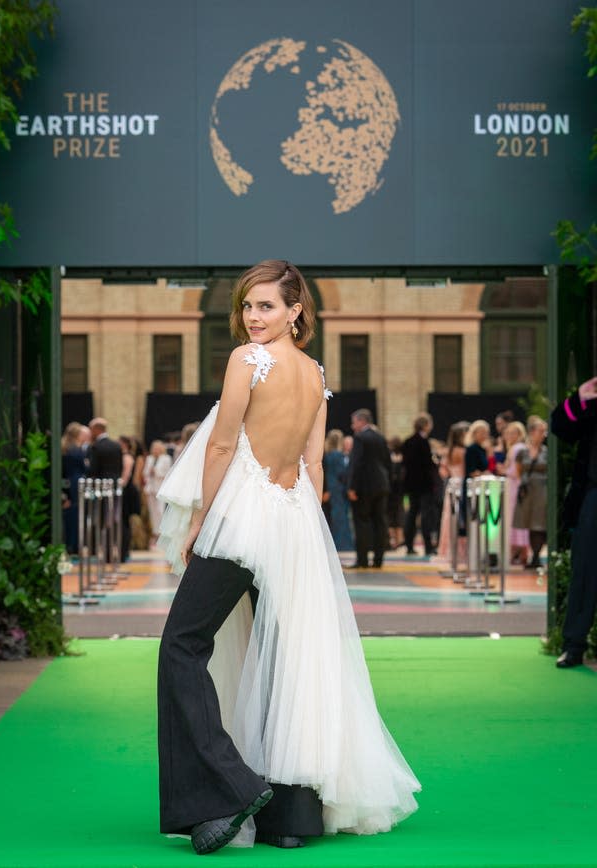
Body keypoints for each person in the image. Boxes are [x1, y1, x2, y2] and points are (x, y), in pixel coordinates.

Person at [156, 260, 419, 855]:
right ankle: (291, 820)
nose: (253, 318)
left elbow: (222, 443)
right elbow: (314, 466)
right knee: (283, 655)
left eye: (267, 306)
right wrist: (302, 528)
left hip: (243, 516)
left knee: (181, 645)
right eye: (248, 306)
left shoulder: (248, 362)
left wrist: (202, 519)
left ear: (296, 311)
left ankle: (226, 788)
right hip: (295, 519)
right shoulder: (314, 371)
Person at [550, 376, 597, 668]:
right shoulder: (592, 401)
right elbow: (561, 427)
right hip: (594, 495)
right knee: (585, 571)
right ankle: (574, 644)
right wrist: (579, 399)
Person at [347, 409, 393, 568]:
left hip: (364, 487)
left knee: (362, 522)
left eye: (354, 422)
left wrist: (351, 487)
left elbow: (356, 464)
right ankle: (379, 559)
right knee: (380, 522)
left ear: (361, 421)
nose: (353, 427)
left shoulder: (360, 438)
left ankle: (362, 560)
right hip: (381, 485)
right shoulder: (380, 437)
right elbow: (388, 462)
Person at [512, 415, 548, 570]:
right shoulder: (523, 451)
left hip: (541, 490)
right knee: (527, 522)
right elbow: (518, 470)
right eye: (541, 431)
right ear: (532, 432)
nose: (544, 434)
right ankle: (531, 555)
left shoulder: (546, 451)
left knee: (539, 523)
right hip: (527, 491)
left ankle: (537, 555)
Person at [402, 413, 436, 556]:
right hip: (424, 485)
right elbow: (428, 465)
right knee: (425, 516)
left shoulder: (408, 441)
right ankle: (428, 546)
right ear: (426, 425)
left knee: (411, 514)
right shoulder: (424, 442)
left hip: (411, 485)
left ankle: (409, 545)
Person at [437, 422, 468, 560]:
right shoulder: (463, 452)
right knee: (462, 518)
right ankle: (462, 552)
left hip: (451, 485)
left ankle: (448, 549)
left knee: (450, 518)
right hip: (463, 486)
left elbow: (443, 472)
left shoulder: (447, 451)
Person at [499, 421, 529, 566]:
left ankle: (516, 553)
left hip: (515, 487)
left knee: (514, 519)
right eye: (508, 433)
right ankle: (521, 553)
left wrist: (503, 470)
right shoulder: (520, 448)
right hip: (516, 486)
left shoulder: (517, 448)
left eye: (512, 433)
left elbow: (517, 472)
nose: (509, 436)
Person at [322, 429, 354, 551]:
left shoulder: (326, 455)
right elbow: (342, 473)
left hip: (329, 488)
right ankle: (343, 545)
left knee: (332, 517)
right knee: (340, 518)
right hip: (338, 489)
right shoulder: (338, 455)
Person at [61, 422, 89, 554]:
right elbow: (85, 468)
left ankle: (69, 544)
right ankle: (74, 545)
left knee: (69, 515)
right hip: (77, 484)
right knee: (76, 515)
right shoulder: (77, 450)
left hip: (68, 484)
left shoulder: (64, 447)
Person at [143, 440, 172, 540]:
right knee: (152, 511)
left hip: (160, 487)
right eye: (154, 448)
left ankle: (162, 532)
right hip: (150, 488)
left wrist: (156, 471)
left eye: (157, 448)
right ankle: (155, 533)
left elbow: (167, 473)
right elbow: (145, 472)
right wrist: (149, 472)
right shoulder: (149, 458)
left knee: (160, 511)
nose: (155, 450)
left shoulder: (166, 458)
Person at [118, 435, 141, 562]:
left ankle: (124, 550)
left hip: (126, 492)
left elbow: (125, 476)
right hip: (126, 490)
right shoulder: (126, 456)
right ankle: (123, 549)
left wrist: (119, 488)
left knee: (124, 520)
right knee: (124, 520)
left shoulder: (127, 457)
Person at [387, 436, 405, 550]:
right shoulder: (403, 457)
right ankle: (399, 539)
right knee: (398, 513)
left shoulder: (389, 457)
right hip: (399, 490)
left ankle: (393, 540)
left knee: (391, 515)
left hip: (392, 490)